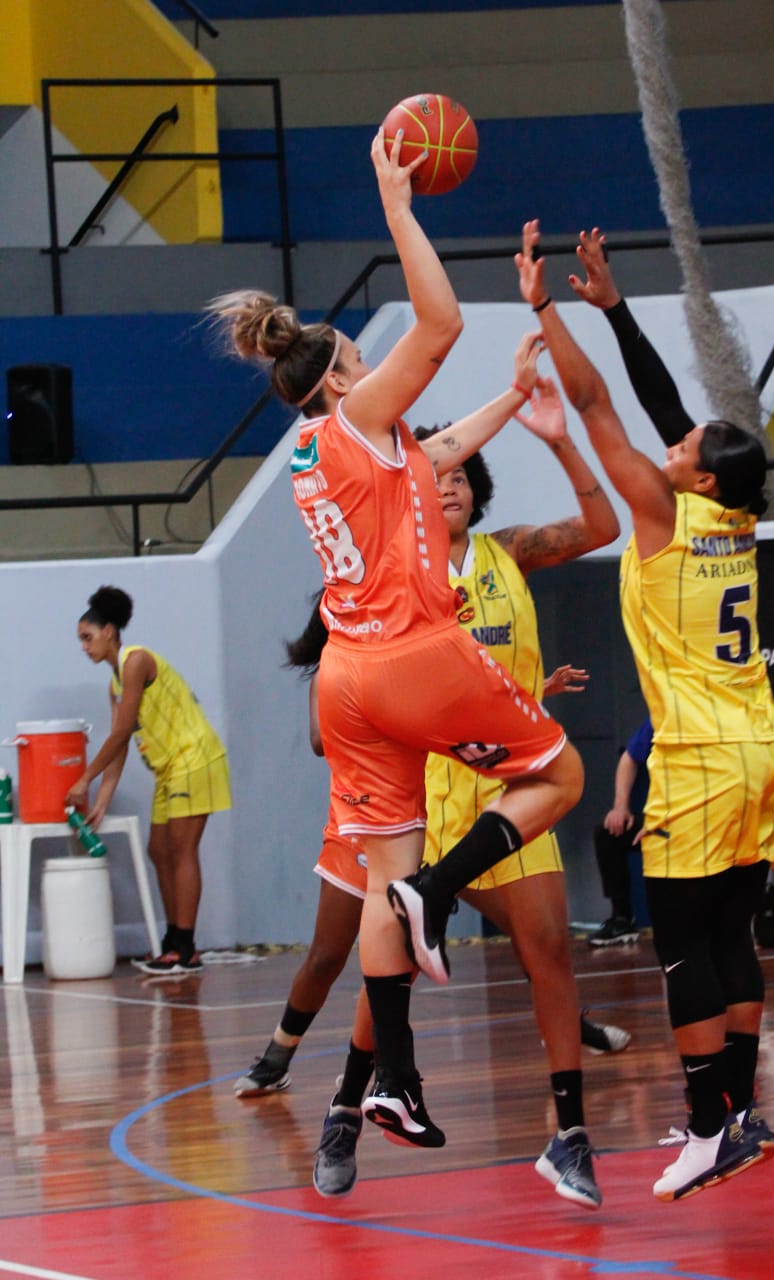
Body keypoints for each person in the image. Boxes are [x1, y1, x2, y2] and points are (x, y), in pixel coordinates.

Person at [207, 129, 585, 1167]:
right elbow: (443, 319)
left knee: (382, 878)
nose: (379, 371)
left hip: (348, 681)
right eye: (361, 362)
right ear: (337, 384)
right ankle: (443, 887)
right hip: (412, 652)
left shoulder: (342, 451)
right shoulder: (357, 417)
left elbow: (446, 446)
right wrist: (399, 208)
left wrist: (516, 395)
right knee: (559, 774)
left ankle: (397, 1081)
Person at [516, 220, 774, 1202]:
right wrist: (615, 306)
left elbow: (597, 401)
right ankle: (741, 1111)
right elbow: (668, 408)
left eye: (682, 447)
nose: (670, 443)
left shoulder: (661, 511)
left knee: (678, 939)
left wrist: (546, 307)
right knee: (732, 935)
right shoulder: (735, 510)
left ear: (698, 475)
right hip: (766, 752)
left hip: (701, 757)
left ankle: (707, 1123)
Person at [66, 585, 232, 975]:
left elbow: (121, 733)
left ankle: (185, 947)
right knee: (159, 851)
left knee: (182, 849)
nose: (84, 647)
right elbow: (122, 744)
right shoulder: (115, 684)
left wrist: (85, 779)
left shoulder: (136, 661)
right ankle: (172, 940)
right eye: (80, 641)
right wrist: (103, 798)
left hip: (195, 759)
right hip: (169, 768)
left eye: (87, 638)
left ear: (109, 631)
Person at [589, 715, 652, 947]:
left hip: (702, 817)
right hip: (660, 818)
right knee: (609, 834)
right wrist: (620, 806)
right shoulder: (662, 715)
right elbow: (629, 758)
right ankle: (622, 919)